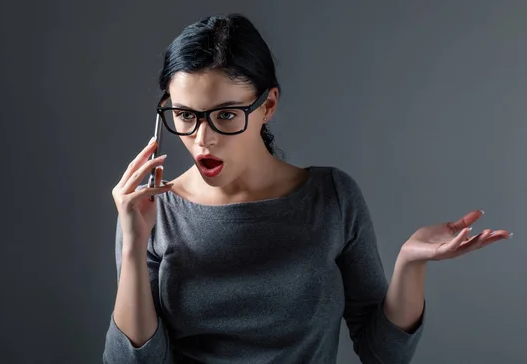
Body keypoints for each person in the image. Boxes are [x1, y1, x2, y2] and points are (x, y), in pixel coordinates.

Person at [102, 13, 512, 364]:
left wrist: (410, 263)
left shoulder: (331, 198)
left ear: (268, 105)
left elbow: (382, 353)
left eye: (226, 115)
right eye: (185, 116)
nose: (202, 139)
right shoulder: (150, 211)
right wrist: (134, 247)